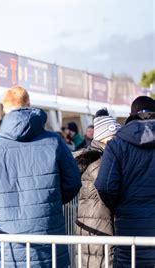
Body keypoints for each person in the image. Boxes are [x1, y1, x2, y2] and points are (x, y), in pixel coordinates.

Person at [0, 86, 81, 267]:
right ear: (29, 104)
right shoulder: (54, 141)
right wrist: (50, 200)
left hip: (9, 240)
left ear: (4, 109)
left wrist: (2, 209)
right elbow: (73, 181)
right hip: (49, 231)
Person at [95, 96, 155, 267]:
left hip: (129, 231)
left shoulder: (117, 144)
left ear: (132, 115)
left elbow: (104, 185)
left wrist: (118, 205)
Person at [74, 109, 119, 267]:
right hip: (100, 225)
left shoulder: (96, 157)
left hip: (94, 223)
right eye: (114, 138)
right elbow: (110, 187)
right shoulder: (100, 161)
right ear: (104, 138)